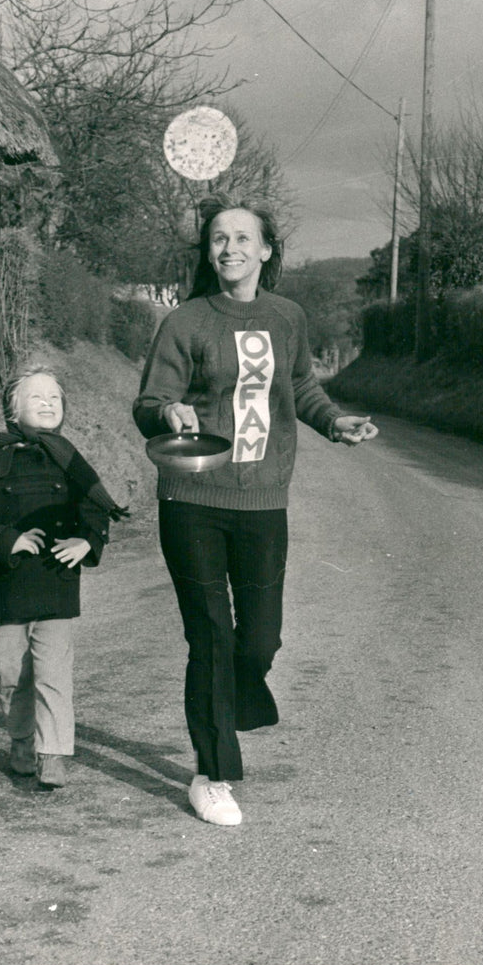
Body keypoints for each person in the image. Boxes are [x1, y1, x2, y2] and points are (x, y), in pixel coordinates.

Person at [133, 194, 378, 826]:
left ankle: (226, 702)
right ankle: (213, 772)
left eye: (243, 238)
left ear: (267, 250)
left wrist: (335, 421)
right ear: (209, 251)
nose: (230, 249)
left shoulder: (288, 316)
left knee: (261, 639)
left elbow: (298, 386)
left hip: (264, 499)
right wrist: (168, 411)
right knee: (210, 636)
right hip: (192, 498)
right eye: (219, 239)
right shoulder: (186, 321)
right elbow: (150, 399)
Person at [0, 365, 128, 789]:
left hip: (55, 578)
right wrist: (7, 538)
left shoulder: (69, 458)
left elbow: (95, 507)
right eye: (38, 398)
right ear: (12, 412)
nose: (49, 403)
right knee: (9, 670)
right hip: (10, 584)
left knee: (53, 671)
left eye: (55, 398)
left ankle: (52, 754)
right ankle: (21, 741)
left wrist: (87, 542)